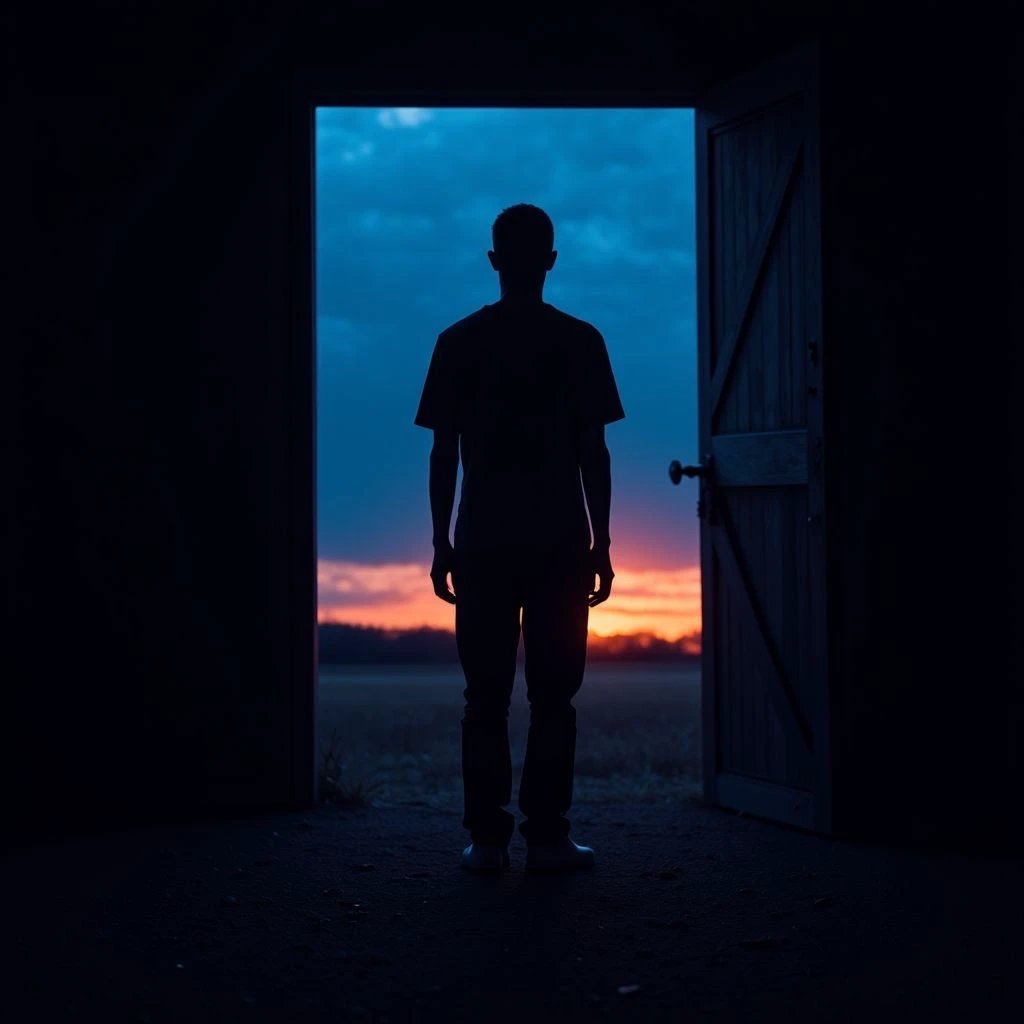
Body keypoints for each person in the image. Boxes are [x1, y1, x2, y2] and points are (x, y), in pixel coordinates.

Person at [414, 203, 625, 874]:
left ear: (494, 260)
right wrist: (603, 542)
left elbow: (442, 453)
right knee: (554, 696)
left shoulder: (458, 341)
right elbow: (595, 453)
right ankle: (547, 837)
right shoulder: (581, 340)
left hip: (482, 539)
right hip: (560, 539)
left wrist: (443, 542)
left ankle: (486, 841)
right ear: (552, 260)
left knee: (485, 695)